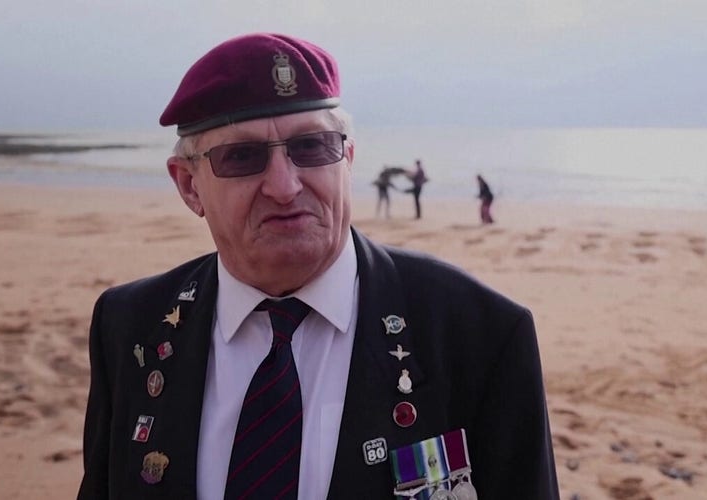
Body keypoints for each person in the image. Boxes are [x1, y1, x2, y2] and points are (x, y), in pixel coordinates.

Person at [78, 33, 558, 500]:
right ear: (188, 186)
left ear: (347, 158)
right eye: (242, 157)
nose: (284, 186)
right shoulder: (130, 326)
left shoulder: (479, 333)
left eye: (311, 147)